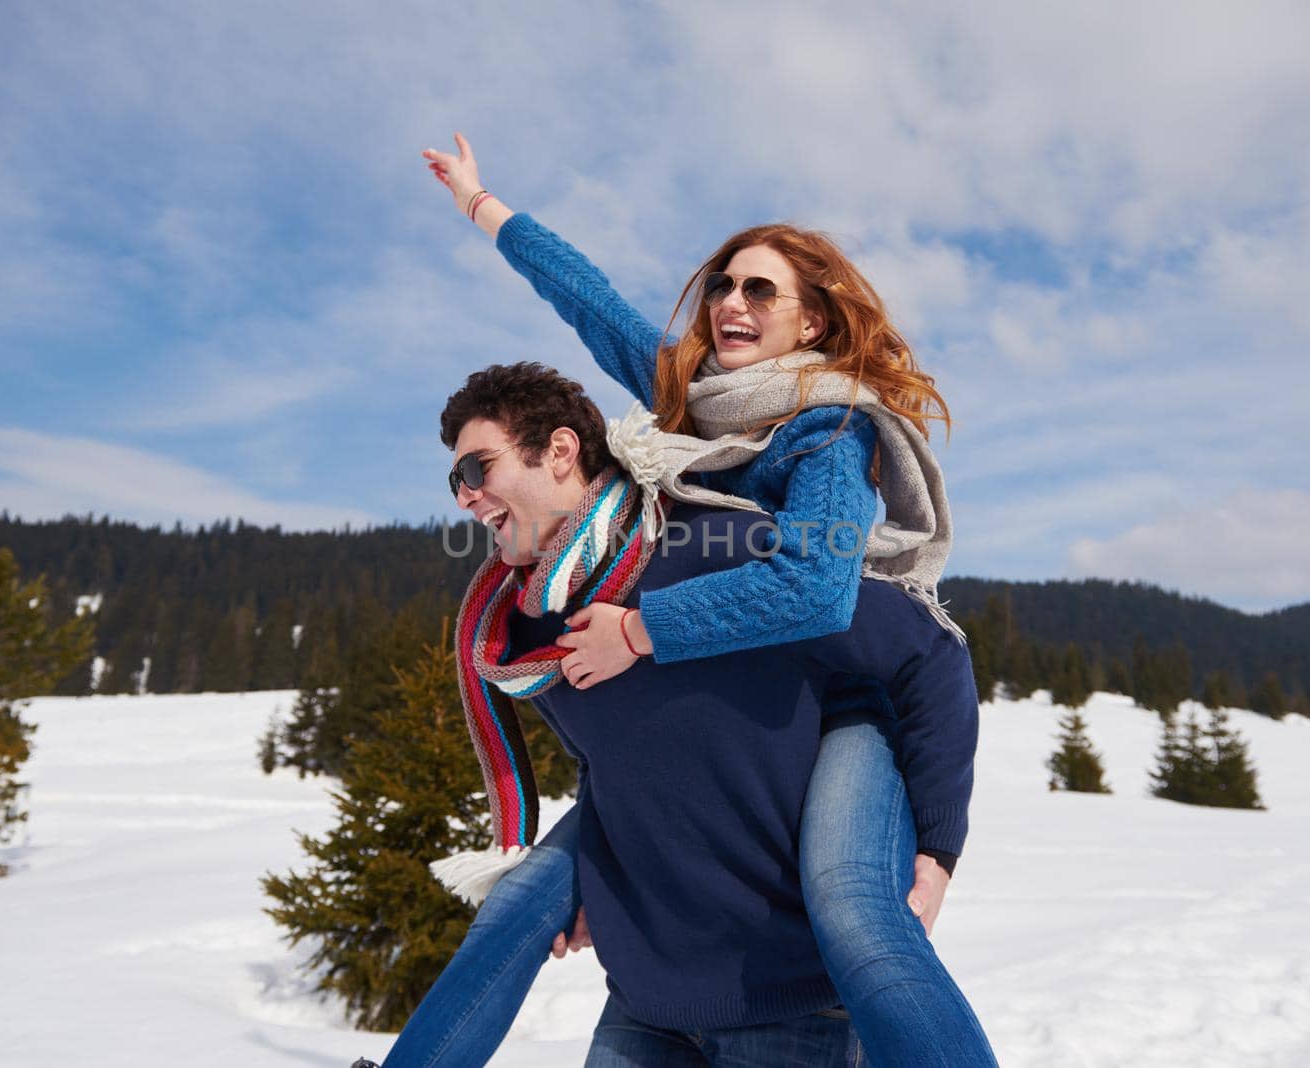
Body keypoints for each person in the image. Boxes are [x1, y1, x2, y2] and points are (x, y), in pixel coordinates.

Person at [408, 136, 998, 1067]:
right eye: (724, 283)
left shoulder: (829, 431)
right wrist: (485, 208)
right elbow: (591, 305)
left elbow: (815, 586)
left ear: (810, 323)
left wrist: (641, 630)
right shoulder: (698, 402)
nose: (731, 301)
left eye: (761, 289)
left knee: (852, 915)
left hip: (843, 693)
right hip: (739, 675)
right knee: (523, 904)